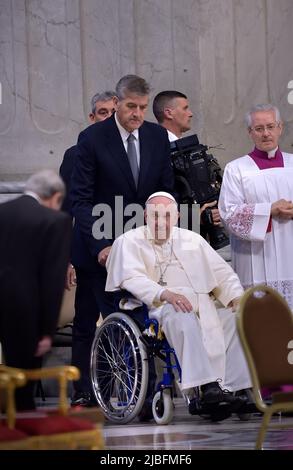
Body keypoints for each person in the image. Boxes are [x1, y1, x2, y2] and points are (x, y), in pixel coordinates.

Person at [70, 75, 174, 407]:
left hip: (145, 249)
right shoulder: (92, 139)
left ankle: (146, 394)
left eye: (143, 107)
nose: (138, 114)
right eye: (131, 106)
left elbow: (166, 191)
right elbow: (81, 201)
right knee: (121, 321)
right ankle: (128, 395)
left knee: (146, 322)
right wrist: (102, 244)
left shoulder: (158, 137)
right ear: (117, 103)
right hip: (101, 250)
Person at [106, 192, 252, 420]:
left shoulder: (193, 240)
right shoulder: (129, 241)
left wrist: (235, 297)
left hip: (203, 304)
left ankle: (236, 387)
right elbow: (131, 279)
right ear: (145, 215)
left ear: (176, 218)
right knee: (181, 316)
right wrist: (164, 293)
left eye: (167, 216)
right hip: (159, 307)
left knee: (233, 318)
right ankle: (206, 387)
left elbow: (222, 273)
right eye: (155, 216)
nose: (161, 222)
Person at [0, 170, 72, 410]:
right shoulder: (55, 220)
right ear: (55, 196)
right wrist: (47, 331)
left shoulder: (3, 212)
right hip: (26, 312)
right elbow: (52, 281)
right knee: (24, 384)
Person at [219, 104, 293, 309]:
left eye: (271, 126)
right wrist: (269, 210)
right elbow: (229, 214)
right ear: (250, 132)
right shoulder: (237, 169)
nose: (266, 133)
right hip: (256, 258)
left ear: (280, 128)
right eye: (259, 129)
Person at [153, 90, 223, 244]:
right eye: (185, 108)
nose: (190, 113)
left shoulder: (186, 146)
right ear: (168, 113)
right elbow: (160, 195)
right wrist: (192, 215)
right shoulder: (157, 149)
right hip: (172, 237)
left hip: (198, 233)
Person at [60, 90, 117, 215]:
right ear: (92, 117)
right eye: (103, 113)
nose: (110, 117)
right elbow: (67, 205)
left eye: (114, 112)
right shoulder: (74, 154)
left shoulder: (136, 150)